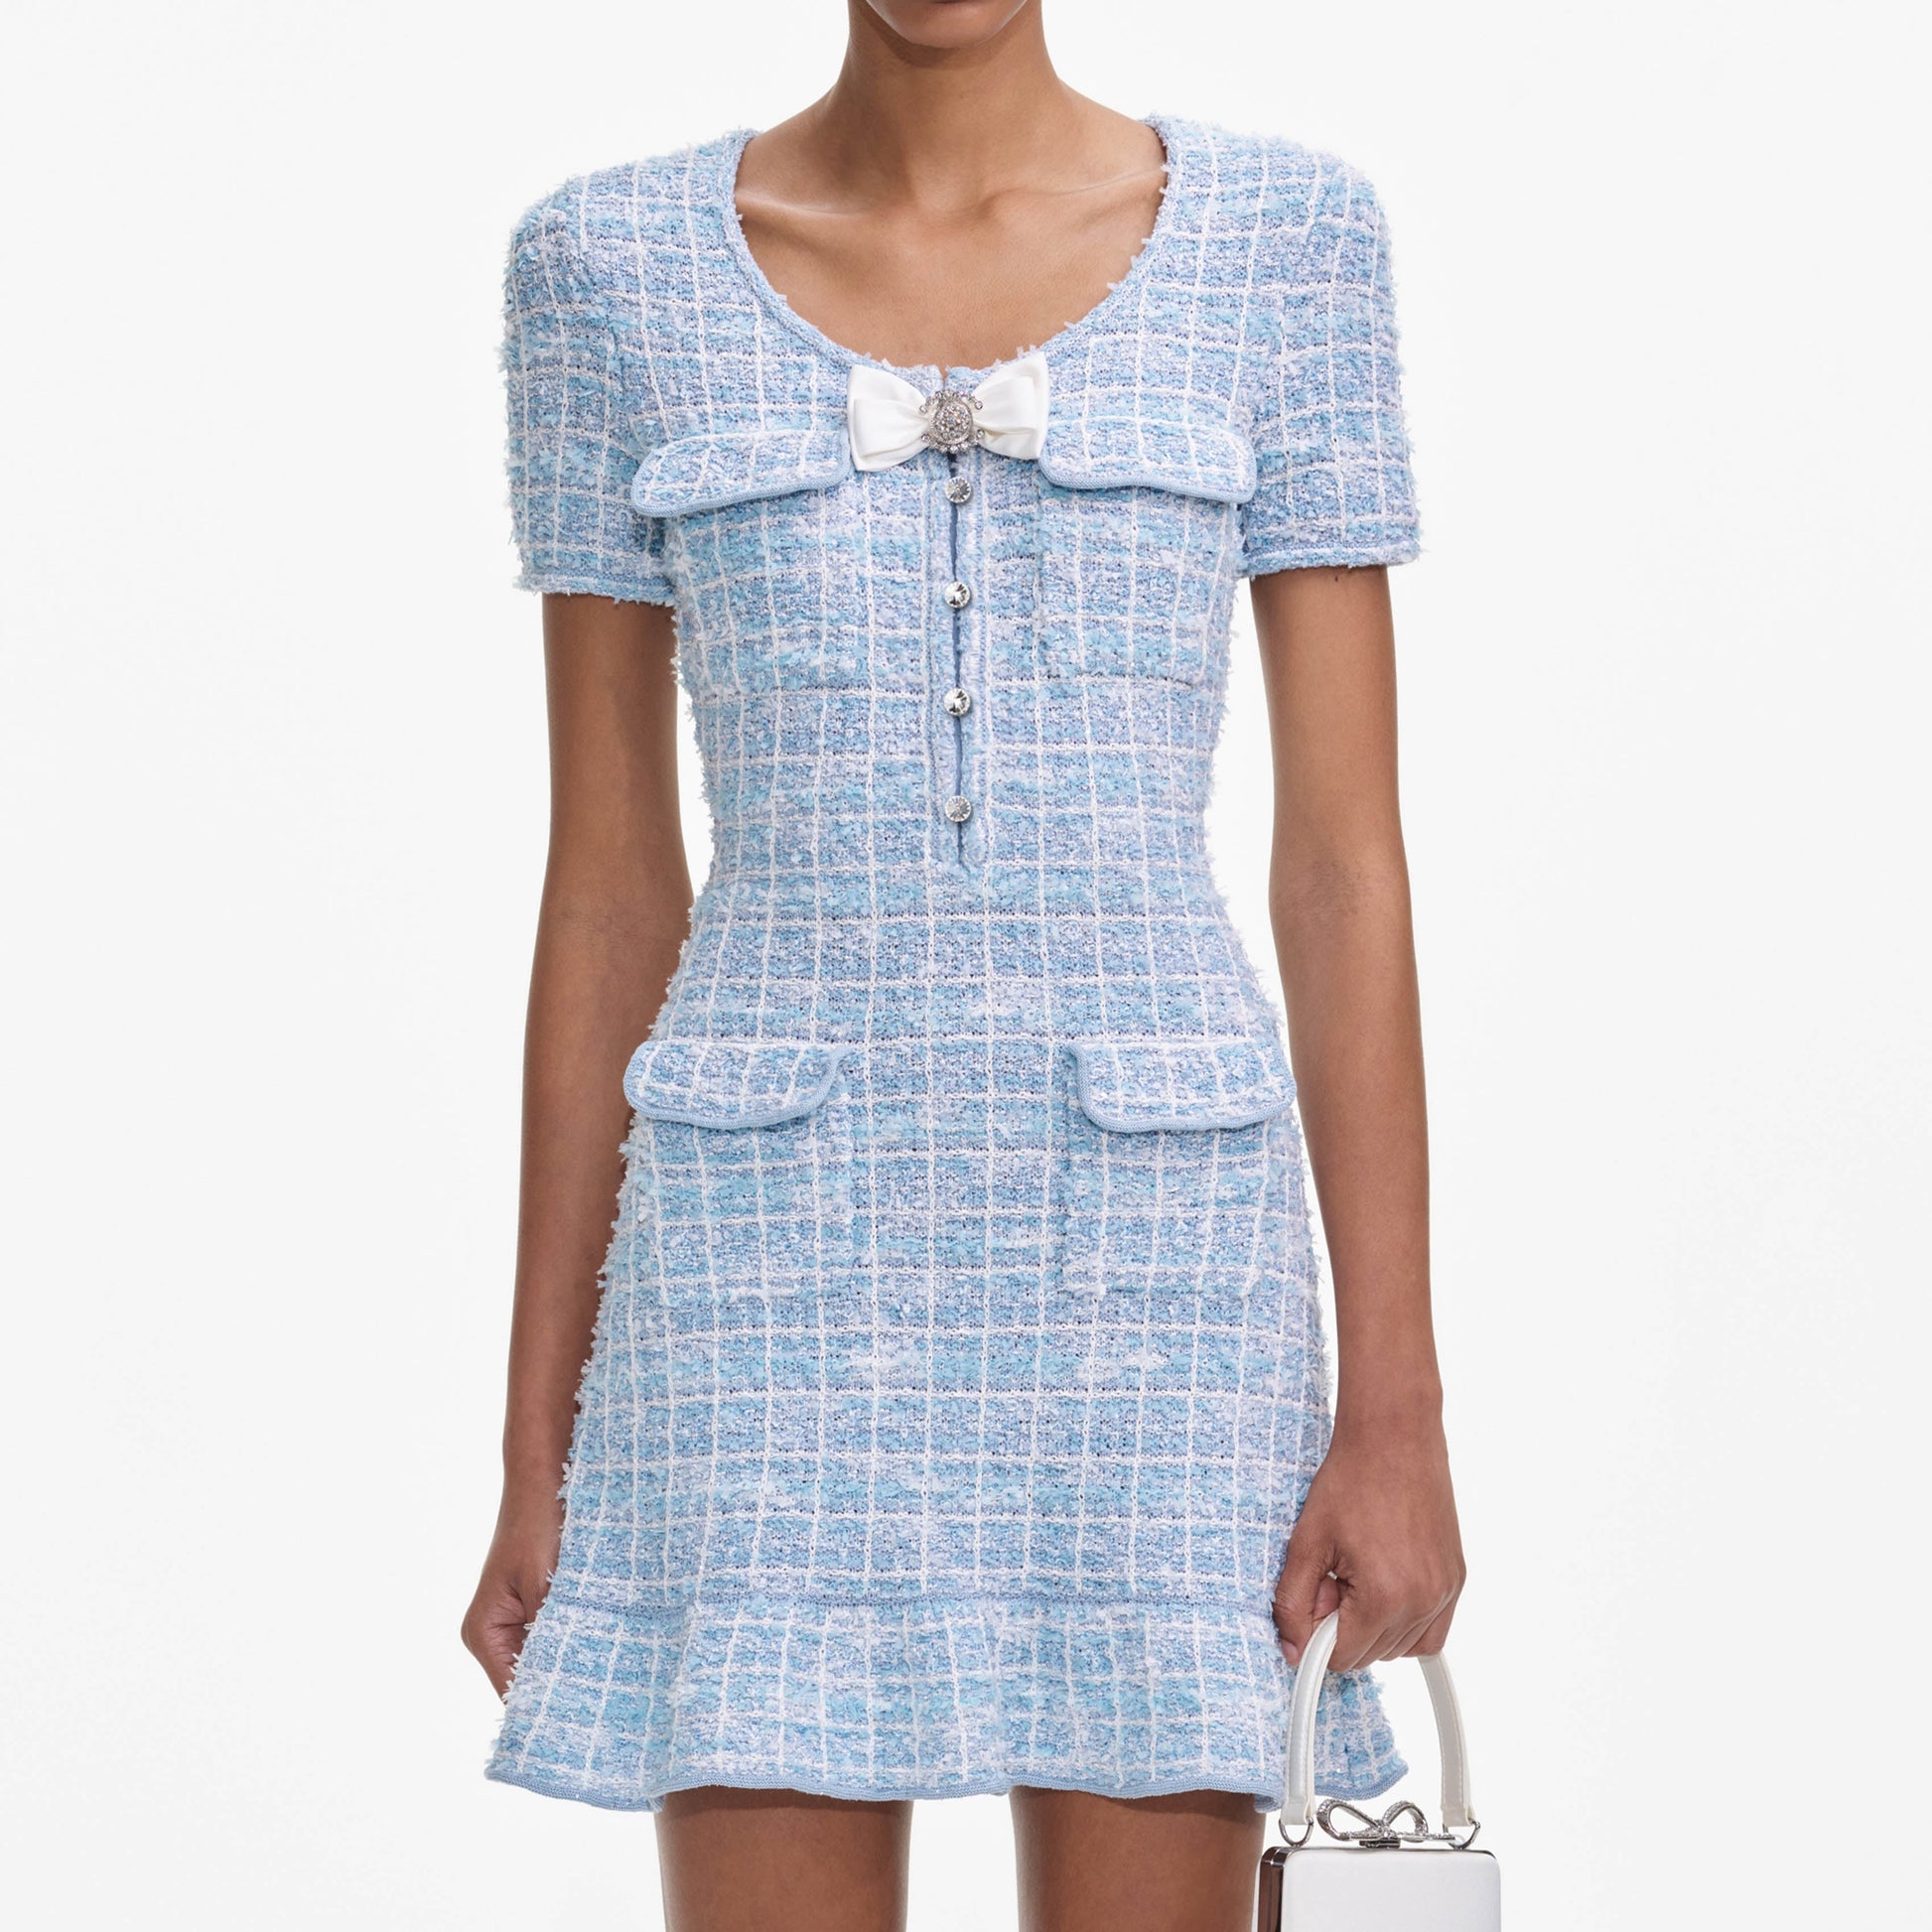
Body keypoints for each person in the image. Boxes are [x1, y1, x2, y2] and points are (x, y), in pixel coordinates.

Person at [461, 4, 1463, 1927]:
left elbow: (1343, 869)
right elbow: (607, 889)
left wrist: (1396, 1411)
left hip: (1165, 1266)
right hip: (756, 1263)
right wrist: (539, 1437)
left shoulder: (1287, 240)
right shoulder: (602, 263)